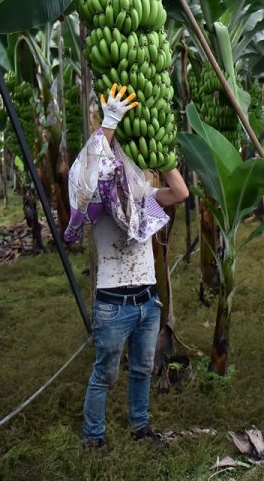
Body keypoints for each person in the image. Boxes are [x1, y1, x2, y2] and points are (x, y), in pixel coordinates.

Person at [65, 84, 189, 449]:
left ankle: (140, 428)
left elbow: (180, 193)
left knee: (140, 370)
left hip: (148, 301)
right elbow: (90, 176)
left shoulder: (144, 202)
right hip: (113, 302)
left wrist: (160, 151)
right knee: (104, 374)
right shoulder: (100, 204)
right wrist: (109, 123)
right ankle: (93, 437)